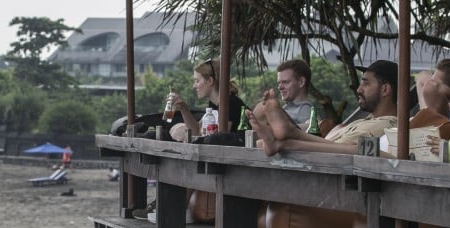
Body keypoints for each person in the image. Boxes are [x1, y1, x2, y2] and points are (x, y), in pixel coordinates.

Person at [247, 60, 400, 156]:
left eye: (366, 83)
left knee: (264, 127)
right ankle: (287, 133)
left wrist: (293, 138)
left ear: (385, 89)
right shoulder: (364, 121)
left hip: (330, 169)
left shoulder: (388, 124)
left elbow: (343, 150)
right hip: (322, 159)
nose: (358, 89)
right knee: (261, 140)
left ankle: (288, 134)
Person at [167, 58, 245, 140]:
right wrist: (183, 108)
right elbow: (196, 131)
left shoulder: (229, 103)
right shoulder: (214, 103)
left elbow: (221, 138)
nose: (194, 86)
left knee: (180, 130)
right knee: (178, 128)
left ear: (210, 81)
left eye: (197, 81)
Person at [275, 58, 314, 127]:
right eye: (279, 83)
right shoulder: (286, 108)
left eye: (285, 82)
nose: (280, 87)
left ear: (301, 82)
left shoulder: (305, 110)